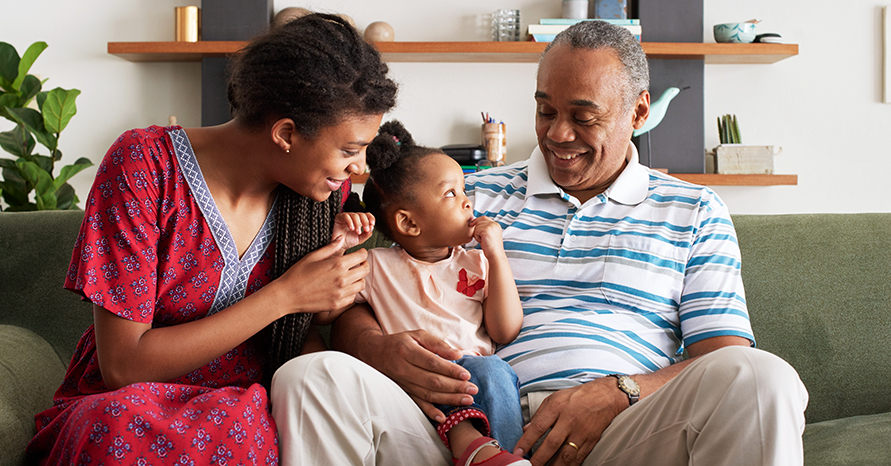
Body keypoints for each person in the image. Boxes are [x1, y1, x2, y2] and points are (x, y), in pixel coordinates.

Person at [269, 19, 808, 466]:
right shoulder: (467, 195)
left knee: (764, 380)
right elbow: (371, 287)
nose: (556, 134)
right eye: (545, 110)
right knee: (310, 376)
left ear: (639, 112)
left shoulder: (694, 210)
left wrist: (620, 391)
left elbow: (723, 357)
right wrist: (375, 347)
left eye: (583, 116)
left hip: (624, 430)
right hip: (466, 425)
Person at [26, 14, 396, 465]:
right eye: (349, 150)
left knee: (260, 431)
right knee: (116, 429)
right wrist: (286, 296)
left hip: (249, 411)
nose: (358, 168)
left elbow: (301, 348)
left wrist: (330, 295)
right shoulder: (143, 167)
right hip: (132, 407)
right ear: (285, 134)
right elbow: (123, 366)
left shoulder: (317, 196)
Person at [324, 120, 528, 465]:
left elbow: (505, 330)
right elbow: (325, 314)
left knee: (495, 371)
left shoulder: (477, 262)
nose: (467, 202)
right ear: (409, 223)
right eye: (451, 193)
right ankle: (477, 448)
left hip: (475, 378)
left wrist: (497, 254)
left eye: (464, 191)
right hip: (413, 386)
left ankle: (504, 455)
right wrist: (339, 247)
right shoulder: (376, 265)